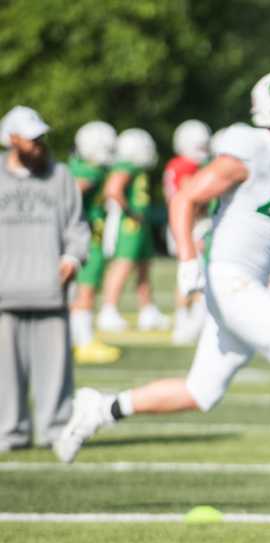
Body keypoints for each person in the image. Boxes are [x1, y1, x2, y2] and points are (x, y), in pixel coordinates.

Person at [54, 69, 270, 514]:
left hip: (249, 283)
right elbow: (186, 198)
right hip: (229, 279)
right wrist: (188, 259)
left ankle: (101, 409)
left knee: (201, 392)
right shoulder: (250, 150)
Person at [0, 106, 89, 452]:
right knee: (4, 373)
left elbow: (77, 226)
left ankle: (56, 431)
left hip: (50, 289)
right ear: (12, 140)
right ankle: (10, 433)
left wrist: (71, 257)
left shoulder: (60, 176)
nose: (39, 146)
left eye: (42, 139)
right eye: (32, 140)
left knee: (55, 371)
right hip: (5, 292)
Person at [97, 127, 169, 333]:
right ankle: (108, 311)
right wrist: (130, 212)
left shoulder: (135, 168)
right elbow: (112, 190)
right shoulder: (125, 166)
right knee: (123, 266)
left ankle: (148, 310)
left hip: (138, 225)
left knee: (144, 267)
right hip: (127, 225)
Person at [67, 120, 121, 364]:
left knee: (77, 290)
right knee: (86, 289)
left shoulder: (78, 165)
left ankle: (75, 338)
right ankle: (84, 340)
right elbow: (66, 198)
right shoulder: (89, 171)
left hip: (82, 235)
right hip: (86, 236)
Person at [165, 119, 212, 345]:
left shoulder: (175, 163)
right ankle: (186, 323)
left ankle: (185, 322)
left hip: (181, 224)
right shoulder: (186, 166)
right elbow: (190, 196)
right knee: (193, 274)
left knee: (188, 274)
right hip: (190, 226)